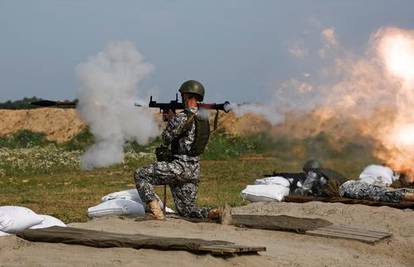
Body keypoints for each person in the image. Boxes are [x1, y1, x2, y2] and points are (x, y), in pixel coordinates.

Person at [134, 80, 220, 220]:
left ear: (186, 96)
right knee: (187, 210)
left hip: (178, 167)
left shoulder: (182, 117)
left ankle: (155, 211)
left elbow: (166, 138)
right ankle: (214, 212)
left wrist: (171, 119)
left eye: (183, 96)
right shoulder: (203, 118)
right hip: (194, 170)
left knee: (141, 175)